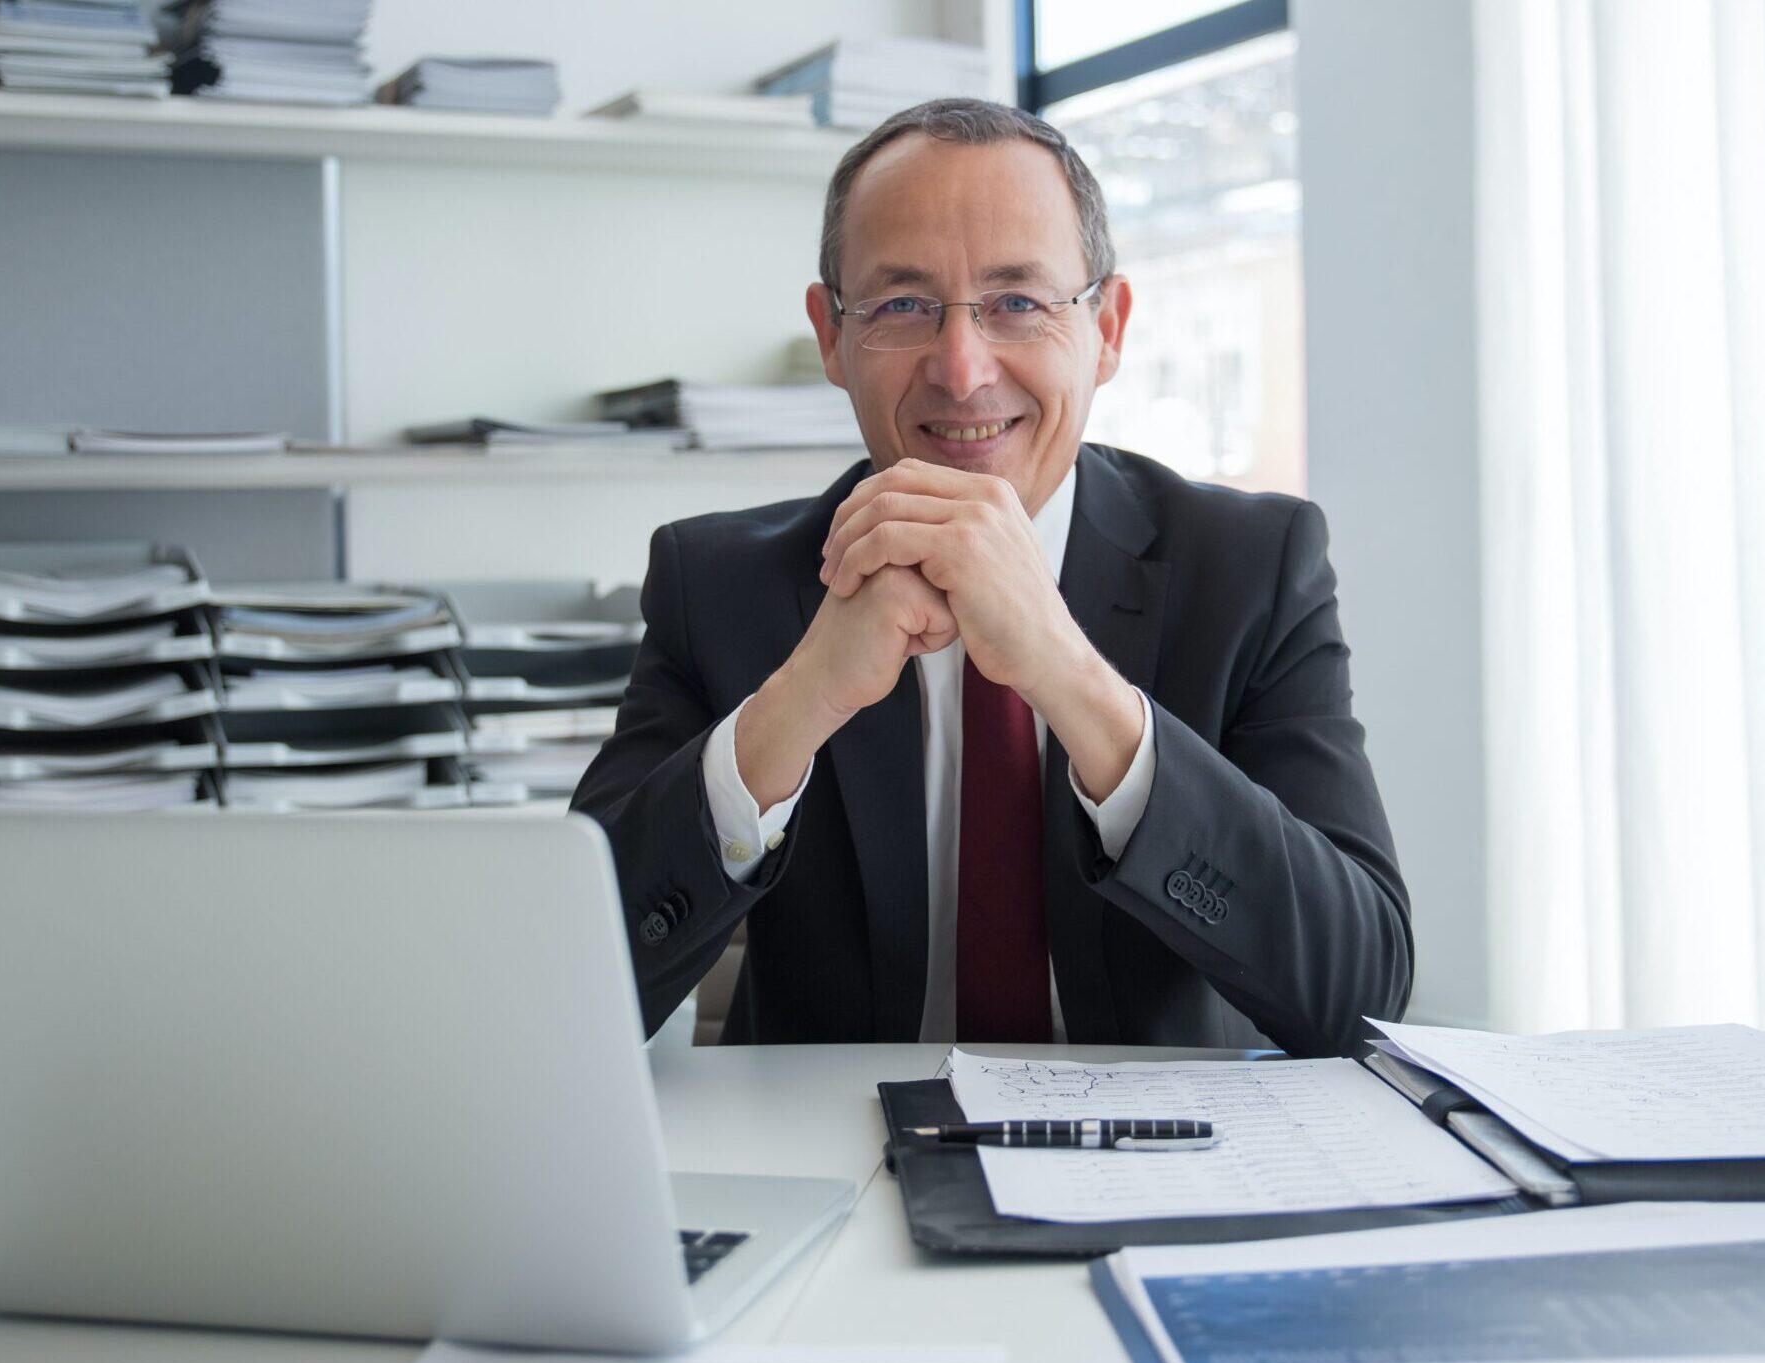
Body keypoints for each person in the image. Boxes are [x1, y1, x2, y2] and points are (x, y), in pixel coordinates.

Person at [571, 98, 1409, 1057]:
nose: (963, 370)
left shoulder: (1252, 568)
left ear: (1108, 328)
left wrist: (1069, 674)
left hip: (1156, 1176)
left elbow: (1361, 993)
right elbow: (563, 996)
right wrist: (797, 704)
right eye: (902, 306)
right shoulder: (717, 583)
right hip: (831, 1164)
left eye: (1018, 301)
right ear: (832, 338)